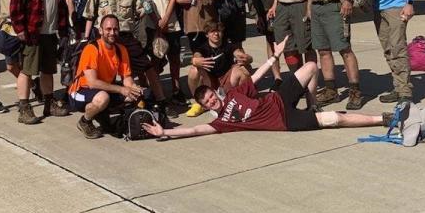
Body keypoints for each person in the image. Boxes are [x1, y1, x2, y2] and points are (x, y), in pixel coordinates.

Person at [140, 35, 394, 140]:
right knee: (335, 118)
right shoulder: (223, 123)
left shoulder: (233, 94)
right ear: (206, 107)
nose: (212, 101)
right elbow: (194, 129)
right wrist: (165, 132)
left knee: (311, 67)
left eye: (210, 96)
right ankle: (382, 119)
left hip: (278, 98)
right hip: (285, 120)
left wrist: (276, 57)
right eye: (207, 102)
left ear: (215, 93)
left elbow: (258, 76)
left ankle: (312, 102)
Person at [82, 0, 168, 113]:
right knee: (104, 73)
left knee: (147, 66)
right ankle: (106, 103)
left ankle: (161, 100)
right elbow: (90, 16)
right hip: (104, 39)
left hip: (125, 36)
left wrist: (147, 7)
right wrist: (86, 38)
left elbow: (141, 11)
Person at [9, 0, 71, 124]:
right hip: (32, 32)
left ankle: (49, 103)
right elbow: (15, 7)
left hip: (50, 32)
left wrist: (63, 28)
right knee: (27, 70)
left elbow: (60, 3)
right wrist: (20, 29)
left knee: (48, 70)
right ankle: (24, 107)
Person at [67, 15, 144, 139]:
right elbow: (92, 83)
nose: (112, 33)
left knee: (133, 95)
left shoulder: (121, 49)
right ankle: (85, 121)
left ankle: (103, 115)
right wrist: (122, 89)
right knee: (103, 98)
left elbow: (127, 78)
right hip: (80, 91)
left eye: (115, 29)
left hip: (104, 89)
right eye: (108, 29)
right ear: (100, 30)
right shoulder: (92, 49)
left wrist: (134, 89)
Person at [136, 0, 183, 102]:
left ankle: (177, 90)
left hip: (172, 25)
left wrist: (165, 20)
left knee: (175, 60)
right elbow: (146, 2)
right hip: (152, 26)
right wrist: (157, 22)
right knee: (155, 60)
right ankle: (157, 92)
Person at [186, 22, 251, 117]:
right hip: (209, 82)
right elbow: (196, 56)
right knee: (194, 70)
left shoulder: (229, 45)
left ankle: (241, 100)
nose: (216, 34)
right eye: (212, 31)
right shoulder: (202, 48)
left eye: (219, 31)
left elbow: (239, 53)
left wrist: (246, 58)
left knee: (242, 69)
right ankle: (198, 104)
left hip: (226, 81)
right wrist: (195, 60)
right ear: (207, 34)